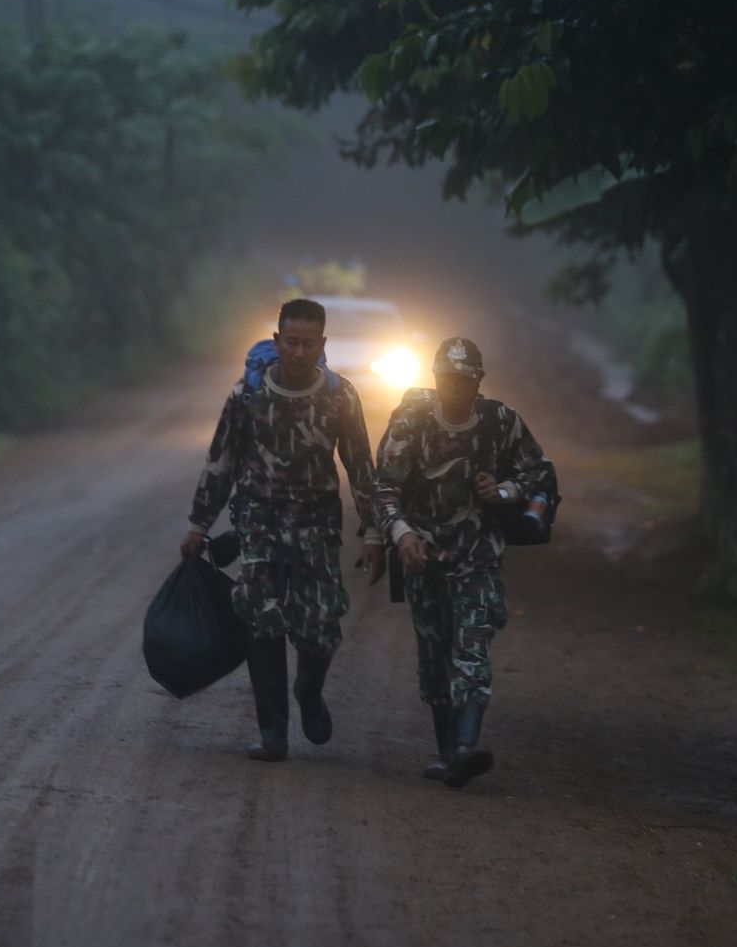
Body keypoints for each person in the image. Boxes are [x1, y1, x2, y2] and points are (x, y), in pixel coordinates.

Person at [180, 298, 386, 761]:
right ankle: (273, 732)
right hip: (259, 519)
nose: (297, 351)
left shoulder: (340, 396)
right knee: (262, 619)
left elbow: (361, 468)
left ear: (322, 345)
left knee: (319, 627)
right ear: (276, 342)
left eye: (308, 343)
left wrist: (374, 532)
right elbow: (221, 463)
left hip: (316, 521)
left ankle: (308, 692)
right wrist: (199, 524)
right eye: (289, 342)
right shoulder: (248, 395)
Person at [374, 337, 554, 788]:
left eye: (464, 379)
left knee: (471, 650)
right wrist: (401, 534)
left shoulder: (501, 421)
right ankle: (446, 753)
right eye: (447, 378)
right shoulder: (410, 422)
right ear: (435, 378)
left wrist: (506, 492)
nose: (455, 387)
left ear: (479, 380)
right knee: (435, 658)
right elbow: (384, 488)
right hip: (424, 558)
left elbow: (539, 471)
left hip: (478, 557)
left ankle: (464, 748)